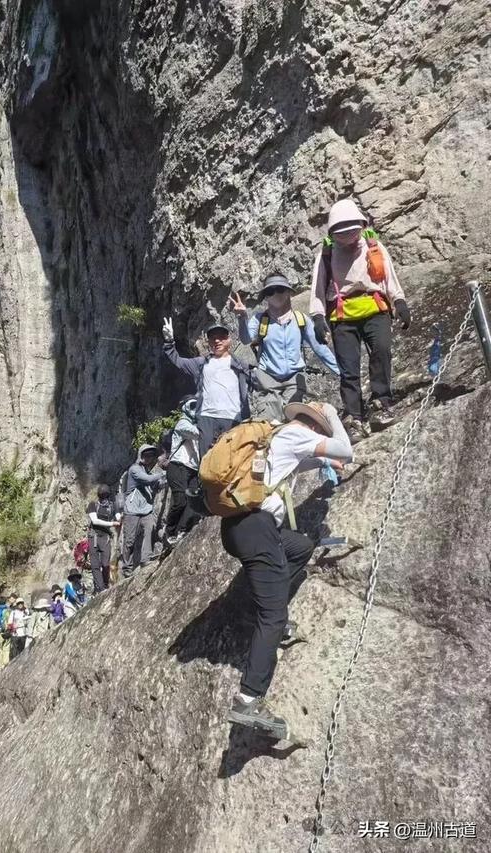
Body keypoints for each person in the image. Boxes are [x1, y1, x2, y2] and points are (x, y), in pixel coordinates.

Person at [221, 401, 353, 737]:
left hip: (242, 529)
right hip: (257, 530)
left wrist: (326, 460)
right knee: (274, 617)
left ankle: (268, 602)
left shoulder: (281, 438)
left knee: (301, 547)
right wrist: (334, 415)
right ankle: (248, 700)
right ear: (316, 428)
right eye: (321, 431)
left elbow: (306, 461)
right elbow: (345, 449)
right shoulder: (297, 433)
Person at [309, 199, 411, 443]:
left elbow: (388, 276)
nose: (348, 236)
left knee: (382, 350)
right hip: (342, 314)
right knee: (348, 368)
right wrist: (318, 316)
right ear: (334, 232)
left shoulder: (373, 245)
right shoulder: (327, 252)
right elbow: (318, 286)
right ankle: (354, 416)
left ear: (362, 225)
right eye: (342, 232)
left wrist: (399, 301)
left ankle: (381, 401)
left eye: (352, 230)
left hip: (374, 306)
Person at [230, 273, 340, 421]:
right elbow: (245, 340)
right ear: (266, 297)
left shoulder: (301, 319)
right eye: (270, 291)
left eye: (280, 289)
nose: (276, 294)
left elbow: (319, 348)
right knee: (268, 423)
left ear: (289, 291)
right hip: (267, 381)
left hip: (294, 380)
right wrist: (242, 317)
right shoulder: (259, 319)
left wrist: (342, 373)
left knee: (293, 420)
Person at [162, 318, 251, 457]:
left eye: (221, 337)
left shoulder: (240, 364)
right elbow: (178, 361)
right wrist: (169, 342)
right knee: (207, 461)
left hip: (233, 418)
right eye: (213, 338)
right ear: (208, 342)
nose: (217, 341)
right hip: (207, 418)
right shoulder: (200, 363)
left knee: (231, 461)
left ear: (229, 340)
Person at [121, 445, 166, 576]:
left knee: (149, 530)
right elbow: (146, 480)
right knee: (129, 541)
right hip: (132, 510)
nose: (149, 458)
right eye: (146, 455)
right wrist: (161, 474)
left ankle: (146, 559)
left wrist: (163, 481)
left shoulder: (148, 471)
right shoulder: (134, 469)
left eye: (151, 455)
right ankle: (127, 568)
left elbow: (155, 485)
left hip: (146, 509)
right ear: (141, 456)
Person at [164, 397, 200, 545]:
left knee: (193, 501)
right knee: (180, 501)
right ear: (185, 408)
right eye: (192, 405)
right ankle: (170, 531)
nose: (195, 409)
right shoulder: (182, 423)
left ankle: (182, 530)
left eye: (197, 406)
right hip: (177, 466)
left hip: (193, 470)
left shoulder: (198, 425)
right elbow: (195, 433)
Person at [86, 484, 121, 593]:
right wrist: (112, 523)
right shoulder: (93, 505)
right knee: (95, 565)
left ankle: (105, 584)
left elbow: (119, 516)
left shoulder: (113, 506)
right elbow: (95, 521)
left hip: (105, 537)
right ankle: (100, 588)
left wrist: (122, 517)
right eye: (102, 495)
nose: (103, 497)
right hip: (94, 536)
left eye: (104, 495)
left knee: (105, 564)